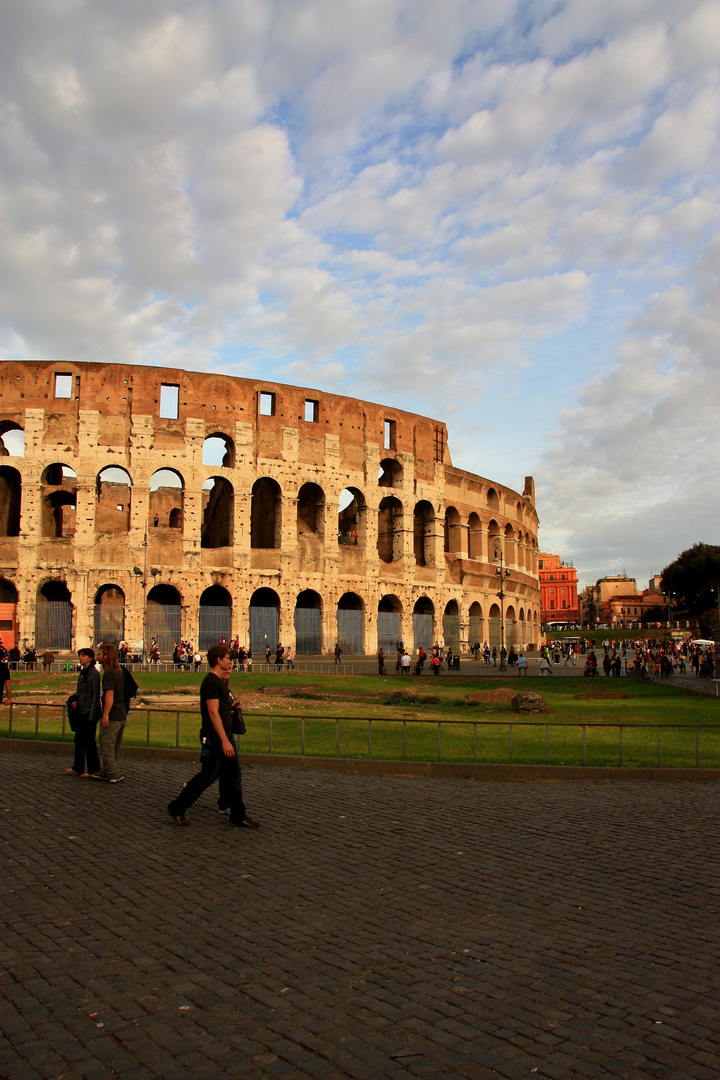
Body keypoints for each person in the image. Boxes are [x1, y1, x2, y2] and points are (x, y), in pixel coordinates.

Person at [167, 644, 259, 829]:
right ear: (219, 660)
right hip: (218, 739)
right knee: (207, 777)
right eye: (227, 658)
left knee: (233, 776)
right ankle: (177, 807)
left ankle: (238, 815)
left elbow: (219, 709)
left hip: (224, 737)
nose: (230, 662)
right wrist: (225, 741)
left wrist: (232, 707)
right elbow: (212, 713)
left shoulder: (219, 682)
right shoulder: (211, 682)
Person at [90, 642, 127, 783]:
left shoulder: (109, 673)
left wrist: (105, 714)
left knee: (106, 744)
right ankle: (108, 770)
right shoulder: (120, 671)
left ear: (106, 656)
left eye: (99, 654)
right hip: (121, 713)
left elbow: (109, 694)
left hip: (113, 714)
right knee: (114, 746)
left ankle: (113, 773)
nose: (97, 656)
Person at [64, 648, 101, 777]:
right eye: (80, 655)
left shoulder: (94, 674)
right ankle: (78, 766)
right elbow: (81, 692)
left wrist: (92, 715)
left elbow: (96, 695)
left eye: (83, 656)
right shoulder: (83, 673)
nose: (81, 658)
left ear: (90, 658)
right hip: (81, 710)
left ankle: (93, 769)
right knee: (79, 739)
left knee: (89, 741)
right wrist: (76, 702)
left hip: (90, 711)